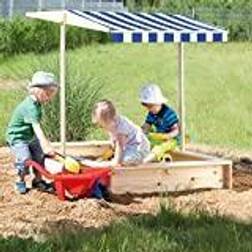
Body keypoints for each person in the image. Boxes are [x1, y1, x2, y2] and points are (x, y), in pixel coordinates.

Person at [6, 71, 58, 194]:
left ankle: (38, 180)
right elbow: (37, 128)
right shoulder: (30, 107)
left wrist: (43, 148)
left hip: (29, 136)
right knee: (25, 159)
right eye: (48, 94)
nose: (50, 97)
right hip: (18, 137)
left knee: (39, 156)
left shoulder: (37, 104)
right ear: (39, 91)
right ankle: (20, 180)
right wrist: (46, 145)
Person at [82, 100, 150, 167]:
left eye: (103, 126)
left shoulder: (121, 130)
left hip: (139, 148)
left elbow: (117, 158)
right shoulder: (113, 124)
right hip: (128, 146)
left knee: (125, 161)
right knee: (117, 153)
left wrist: (100, 164)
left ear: (112, 120)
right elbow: (113, 139)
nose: (102, 128)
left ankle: (144, 159)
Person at [139, 84, 180, 162]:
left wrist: (168, 136)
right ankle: (158, 157)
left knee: (159, 147)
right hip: (160, 137)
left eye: (151, 106)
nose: (149, 109)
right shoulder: (152, 113)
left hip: (172, 140)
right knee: (146, 142)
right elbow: (147, 125)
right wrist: (142, 132)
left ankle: (145, 161)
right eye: (147, 106)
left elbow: (176, 130)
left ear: (159, 103)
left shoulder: (169, 114)